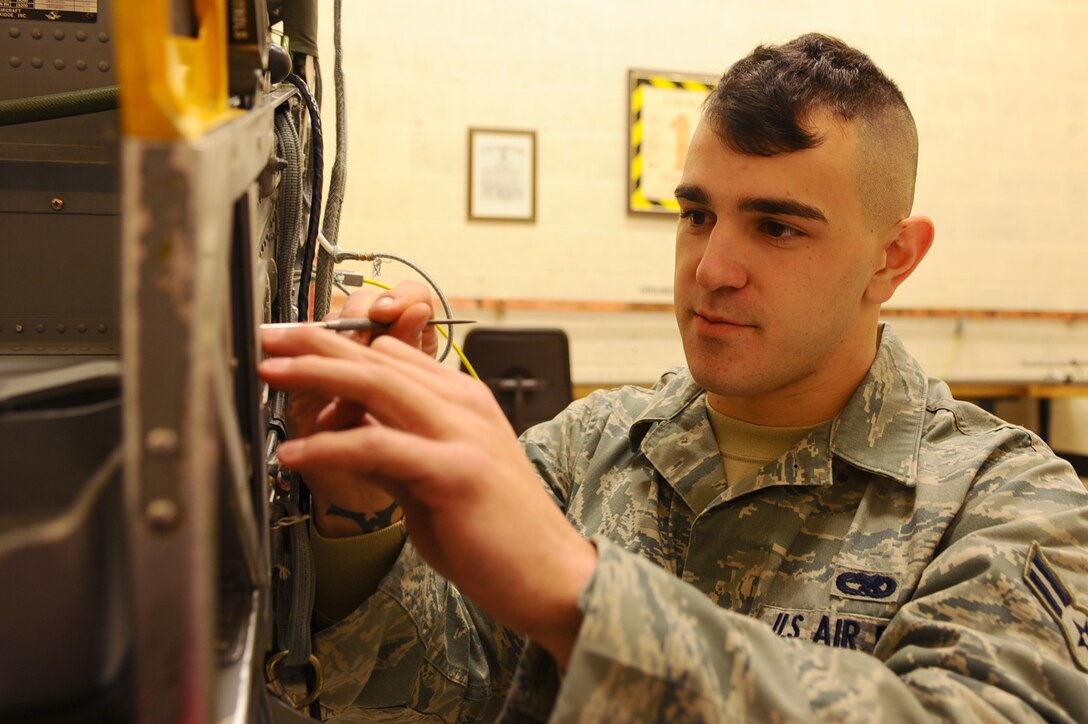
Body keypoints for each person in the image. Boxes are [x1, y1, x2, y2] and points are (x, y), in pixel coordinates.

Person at [259, 33, 1088, 722]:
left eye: (776, 227)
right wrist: (357, 523)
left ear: (892, 257)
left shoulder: (1014, 510)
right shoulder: (584, 452)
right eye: (697, 215)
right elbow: (446, 694)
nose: (712, 269)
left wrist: (582, 597)